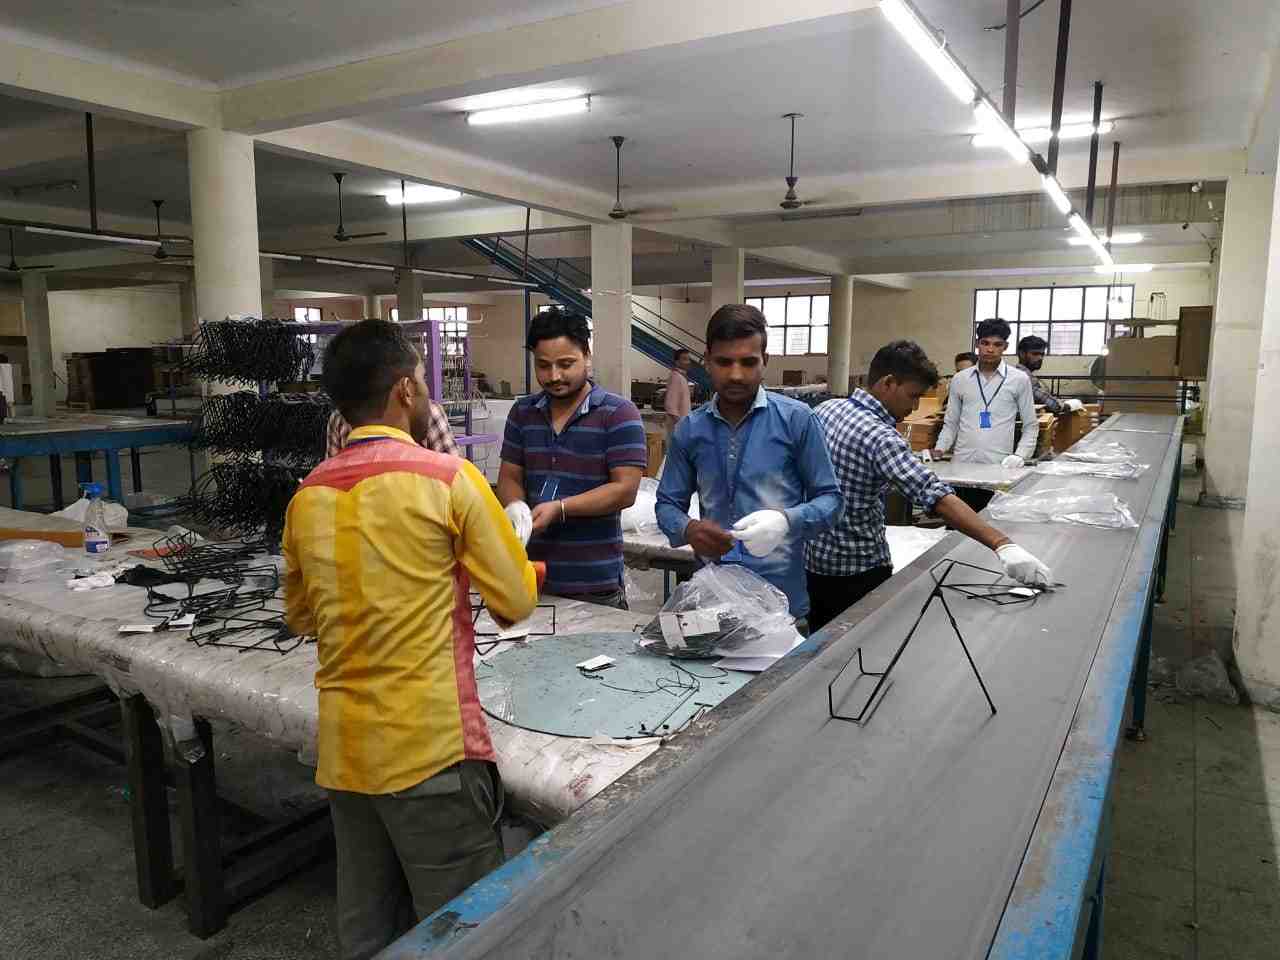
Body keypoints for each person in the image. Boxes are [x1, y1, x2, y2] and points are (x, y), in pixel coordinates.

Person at [282, 320, 539, 960]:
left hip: (345, 752)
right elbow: (514, 603)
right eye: (422, 381)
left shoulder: (307, 496)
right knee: (461, 926)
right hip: (429, 751)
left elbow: (302, 618)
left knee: (369, 924)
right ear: (404, 389)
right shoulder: (449, 479)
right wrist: (511, 557)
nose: (425, 393)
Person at [805, 340, 1053, 632]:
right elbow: (935, 496)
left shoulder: (826, 410)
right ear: (888, 383)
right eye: (913, 396)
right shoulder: (880, 436)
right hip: (858, 572)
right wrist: (1003, 545)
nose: (913, 408)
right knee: (866, 642)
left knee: (822, 646)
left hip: (813, 566)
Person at [656, 304, 843, 628]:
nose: (736, 374)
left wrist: (786, 521)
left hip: (781, 611)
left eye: (748, 362)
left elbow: (832, 500)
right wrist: (688, 528)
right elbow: (667, 504)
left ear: (764, 361)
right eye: (724, 362)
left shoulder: (797, 420)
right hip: (711, 608)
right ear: (707, 361)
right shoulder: (690, 430)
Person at [497, 308, 647, 609]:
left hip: (595, 585)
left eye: (566, 364)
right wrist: (515, 505)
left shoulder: (618, 414)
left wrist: (561, 509)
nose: (554, 376)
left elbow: (625, 490)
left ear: (587, 356)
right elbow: (510, 475)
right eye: (543, 365)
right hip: (531, 577)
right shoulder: (523, 413)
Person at [934, 318, 1038, 512]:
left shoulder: (1019, 380)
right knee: (958, 522)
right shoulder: (960, 379)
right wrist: (940, 449)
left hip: (998, 469)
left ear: (1005, 347)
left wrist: (1020, 455)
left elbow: (1031, 425)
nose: (990, 349)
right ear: (977, 344)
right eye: (985, 343)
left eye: (997, 344)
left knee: (991, 522)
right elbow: (951, 423)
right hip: (961, 469)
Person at [326, 400, 458, 458]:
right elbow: (454, 475)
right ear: (406, 385)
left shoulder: (340, 417)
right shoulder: (429, 411)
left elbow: (330, 479)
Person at [1015, 334, 1085, 415]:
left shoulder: (1022, 374)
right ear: (1022, 354)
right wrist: (1073, 405)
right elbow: (1054, 405)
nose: (1040, 358)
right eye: (1035, 354)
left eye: (1042, 354)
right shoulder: (1022, 377)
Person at [664, 348, 694, 438]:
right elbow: (670, 406)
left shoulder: (681, 377)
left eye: (689, 359)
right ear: (677, 362)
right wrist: (682, 425)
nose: (688, 362)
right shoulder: (676, 377)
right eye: (685, 359)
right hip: (678, 429)